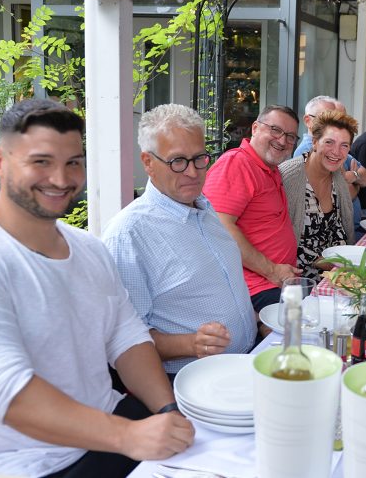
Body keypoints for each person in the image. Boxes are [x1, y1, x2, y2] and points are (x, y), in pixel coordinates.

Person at [0, 99, 194, 475]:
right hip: (29, 461)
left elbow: (127, 338)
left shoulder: (89, 248)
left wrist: (167, 411)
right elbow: (3, 390)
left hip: (111, 422)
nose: (61, 179)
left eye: (73, 162)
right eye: (41, 162)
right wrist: (129, 437)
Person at [102, 104, 258, 375]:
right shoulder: (128, 234)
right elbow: (124, 338)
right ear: (148, 162)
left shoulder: (205, 207)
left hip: (247, 359)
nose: (192, 172)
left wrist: (255, 321)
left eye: (199, 158)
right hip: (193, 380)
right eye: (177, 161)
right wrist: (191, 343)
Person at [203, 105, 301, 312]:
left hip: (278, 281)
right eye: (275, 130)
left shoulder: (269, 168)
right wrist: (272, 270)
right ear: (255, 128)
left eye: (290, 136)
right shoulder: (236, 163)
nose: (282, 140)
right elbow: (218, 227)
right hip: (255, 289)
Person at [280, 111, 357, 281]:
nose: (336, 152)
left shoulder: (337, 177)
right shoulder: (289, 176)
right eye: (329, 142)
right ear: (314, 142)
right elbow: (280, 239)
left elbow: (341, 230)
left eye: (344, 145)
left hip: (336, 272)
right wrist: (333, 264)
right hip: (299, 277)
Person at [293, 95, 366, 192]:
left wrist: (353, 176)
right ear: (308, 121)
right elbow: (336, 196)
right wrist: (356, 186)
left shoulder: (338, 147)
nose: (336, 126)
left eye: (339, 120)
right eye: (325, 119)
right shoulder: (306, 152)